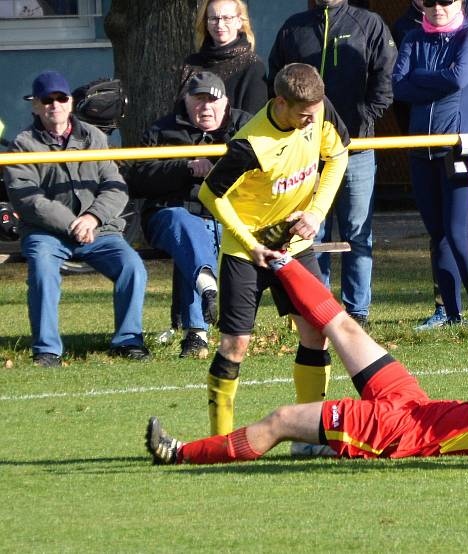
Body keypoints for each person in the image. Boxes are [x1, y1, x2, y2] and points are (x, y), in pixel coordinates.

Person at [146, 253, 468, 464]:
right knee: (345, 326)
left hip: (398, 433)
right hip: (414, 405)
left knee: (282, 418)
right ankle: (281, 258)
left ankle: (181, 454)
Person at [197, 63, 350, 451]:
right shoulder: (250, 145)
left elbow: (339, 155)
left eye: (315, 112)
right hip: (246, 252)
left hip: (294, 249)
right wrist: (249, 243)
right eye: (303, 114)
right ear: (280, 103)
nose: (311, 119)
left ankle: (310, 436)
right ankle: (219, 443)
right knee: (235, 345)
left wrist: (316, 213)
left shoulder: (318, 108)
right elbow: (209, 194)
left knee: (316, 333)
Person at [3, 71, 149, 367]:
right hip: (47, 233)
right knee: (42, 270)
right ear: (35, 105)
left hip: (100, 230)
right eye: (47, 100)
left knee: (132, 267)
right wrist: (73, 223)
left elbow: (115, 185)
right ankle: (47, 350)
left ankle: (128, 341)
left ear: (70, 103)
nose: (54, 105)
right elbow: (28, 199)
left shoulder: (93, 137)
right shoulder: (23, 144)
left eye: (61, 98)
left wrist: (93, 218)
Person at [267, 0, 397, 327]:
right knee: (309, 230)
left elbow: (385, 79)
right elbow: (275, 80)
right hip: (306, 152)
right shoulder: (293, 27)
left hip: (356, 151)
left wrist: (360, 121)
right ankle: (317, 307)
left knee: (357, 231)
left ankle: (357, 313)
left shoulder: (369, 23)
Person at [393, 0, 468, 332]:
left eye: (446, 1)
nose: (437, 7)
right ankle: (450, 314)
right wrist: (433, 79)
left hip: (460, 150)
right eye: (430, 1)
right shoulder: (413, 38)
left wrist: (420, 77)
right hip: (420, 151)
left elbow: (459, 79)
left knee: (460, 234)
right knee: (439, 235)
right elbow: (398, 86)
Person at [125, 73, 252, 358]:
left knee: (199, 239)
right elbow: (139, 178)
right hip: (171, 216)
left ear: (226, 102)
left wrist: (218, 167)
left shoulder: (244, 125)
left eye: (213, 100)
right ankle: (204, 303)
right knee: (190, 228)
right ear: (186, 101)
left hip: (227, 215)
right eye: (199, 100)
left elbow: (261, 165)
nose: (206, 107)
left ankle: (197, 333)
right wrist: (186, 167)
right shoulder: (162, 130)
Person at [180, 0, 268, 115]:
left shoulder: (253, 66)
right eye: (214, 19)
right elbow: (179, 113)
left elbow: (253, 120)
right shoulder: (192, 63)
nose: (220, 25)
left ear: (239, 22)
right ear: (206, 23)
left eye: (227, 18)